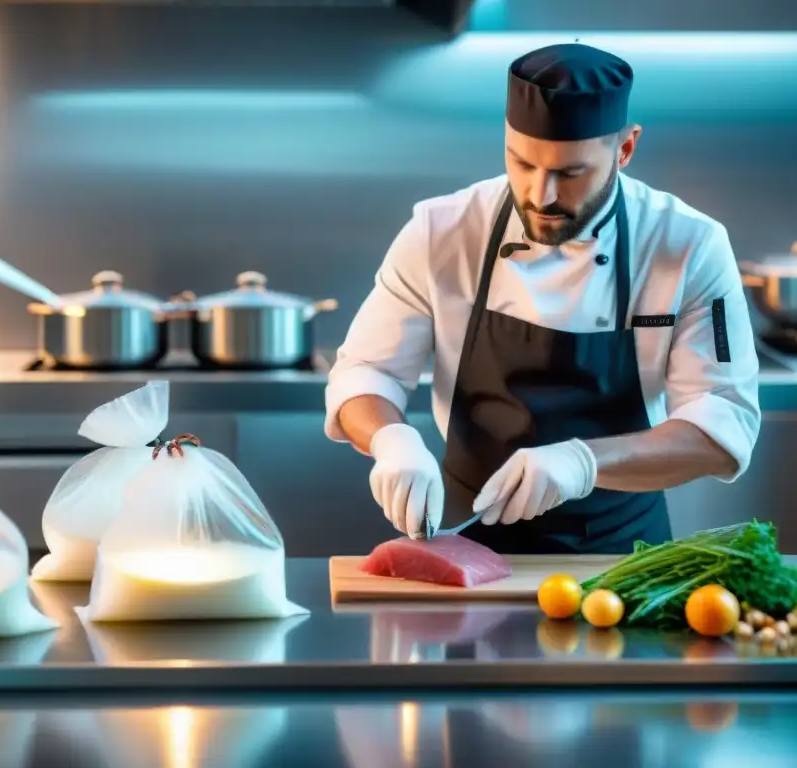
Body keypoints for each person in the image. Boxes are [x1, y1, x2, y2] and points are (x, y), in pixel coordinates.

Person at [323, 43, 761, 555]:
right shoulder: (442, 231)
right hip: (467, 536)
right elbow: (365, 373)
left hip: (624, 552)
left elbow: (722, 423)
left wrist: (583, 463)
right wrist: (390, 441)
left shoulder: (685, 245)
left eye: (570, 173)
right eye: (521, 162)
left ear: (625, 150)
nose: (540, 195)